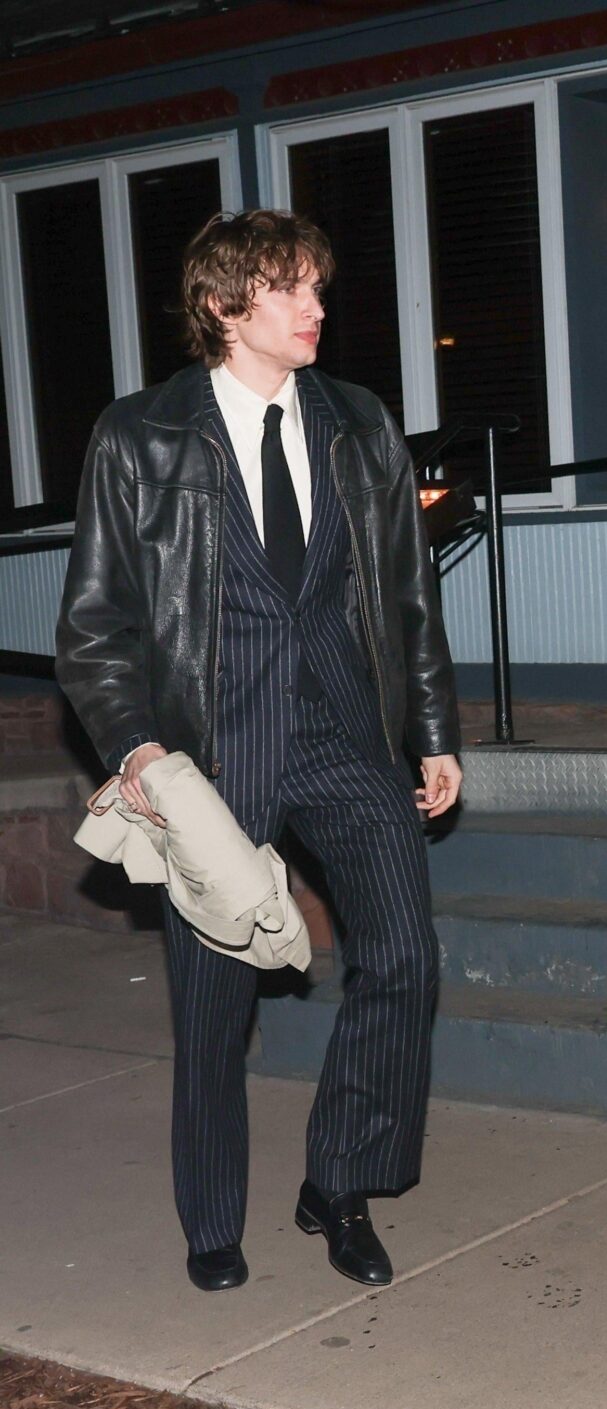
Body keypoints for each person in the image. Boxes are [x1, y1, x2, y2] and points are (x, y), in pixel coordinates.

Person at [56, 209, 462, 1291]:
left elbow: (407, 600)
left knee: (405, 962)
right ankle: (211, 1221)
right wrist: (136, 748)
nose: (315, 307)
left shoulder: (359, 424)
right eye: (290, 290)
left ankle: (339, 1181)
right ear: (224, 305)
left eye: (316, 287)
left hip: (344, 736)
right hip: (215, 754)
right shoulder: (139, 436)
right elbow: (95, 627)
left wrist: (429, 734)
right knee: (214, 1005)